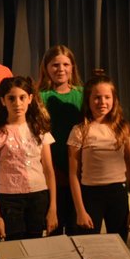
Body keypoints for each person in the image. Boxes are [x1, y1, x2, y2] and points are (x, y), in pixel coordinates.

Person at [0, 76, 57, 244]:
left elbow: (48, 170)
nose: (17, 103)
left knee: (37, 246)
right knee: (16, 247)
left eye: (22, 97)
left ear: (30, 99)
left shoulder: (39, 130)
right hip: (10, 199)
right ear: (3, 101)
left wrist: (53, 208)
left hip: (38, 196)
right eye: (11, 98)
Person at [68, 75, 130, 241]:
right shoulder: (79, 130)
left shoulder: (123, 128)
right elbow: (73, 174)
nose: (102, 102)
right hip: (90, 194)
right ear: (88, 100)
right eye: (97, 97)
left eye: (107, 97)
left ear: (114, 99)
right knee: (89, 245)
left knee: (119, 244)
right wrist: (80, 210)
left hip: (117, 193)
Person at [37, 45, 83, 235]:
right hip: (51, 167)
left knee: (77, 226)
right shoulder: (39, 96)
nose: (61, 69)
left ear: (72, 67)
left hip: (78, 167)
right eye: (55, 65)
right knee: (54, 228)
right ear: (46, 68)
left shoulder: (82, 94)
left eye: (66, 64)